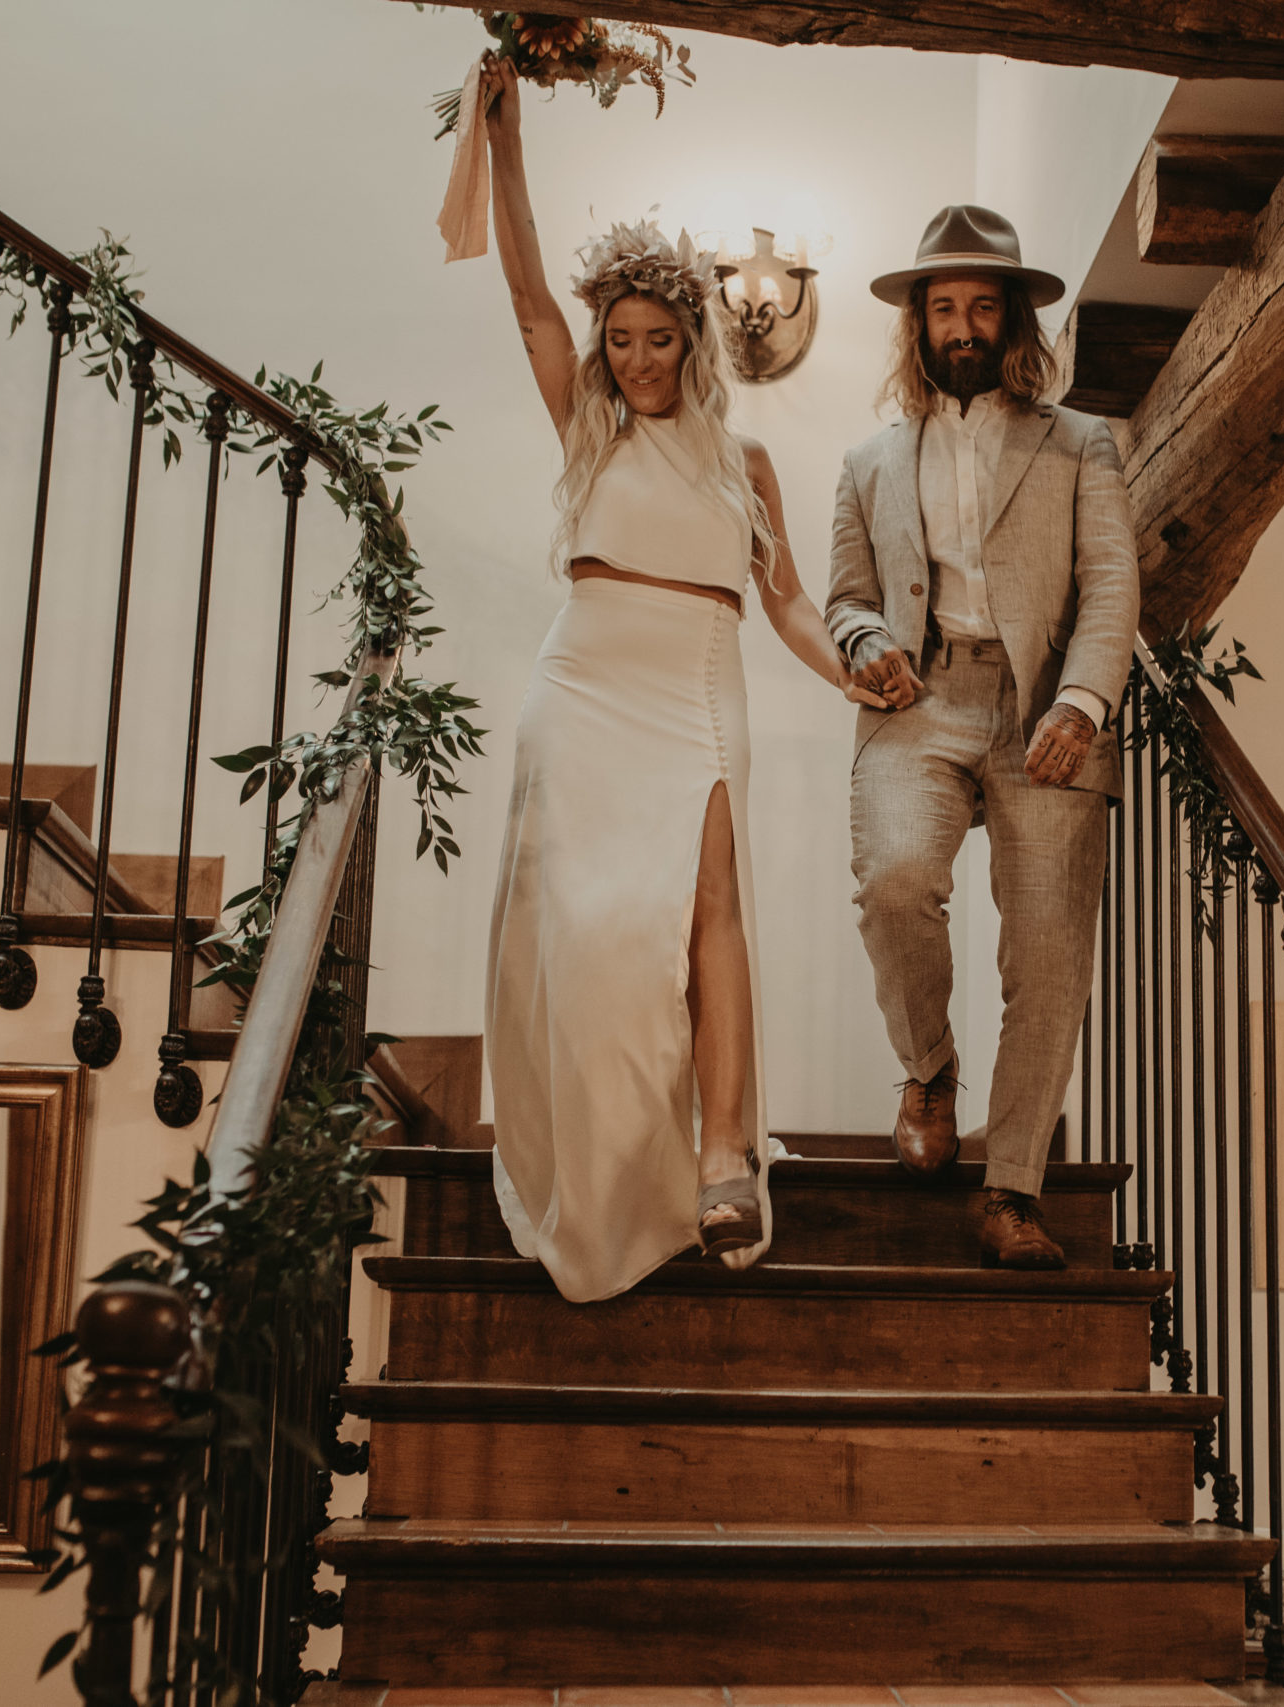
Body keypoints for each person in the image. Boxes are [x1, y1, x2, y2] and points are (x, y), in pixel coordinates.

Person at [479, 59, 876, 1302]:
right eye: (623, 341)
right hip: (582, 681)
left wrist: (852, 671)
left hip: (696, 690)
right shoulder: (588, 426)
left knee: (709, 913)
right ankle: (597, 1173)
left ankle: (720, 1158)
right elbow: (531, 297)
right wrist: (504, 143)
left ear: (693, 338)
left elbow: (790, 604)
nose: (639, 359)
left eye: (659, 339)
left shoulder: (743, 462)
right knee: (584, 938)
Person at [828, 205, 1140, 1271]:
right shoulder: (867, 461)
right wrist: (865, 639)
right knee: (896, 882)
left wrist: (1081, 703)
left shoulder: (1081, 439)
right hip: (920, 700)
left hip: (1044, 704)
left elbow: (1109, 583)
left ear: (1012, 320)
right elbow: (844, 600)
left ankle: (1010, 1189)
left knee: (1047, 952)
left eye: (981, 305)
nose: (961, 325)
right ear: (918, 326)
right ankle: (929, 1070)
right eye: (944, 307)